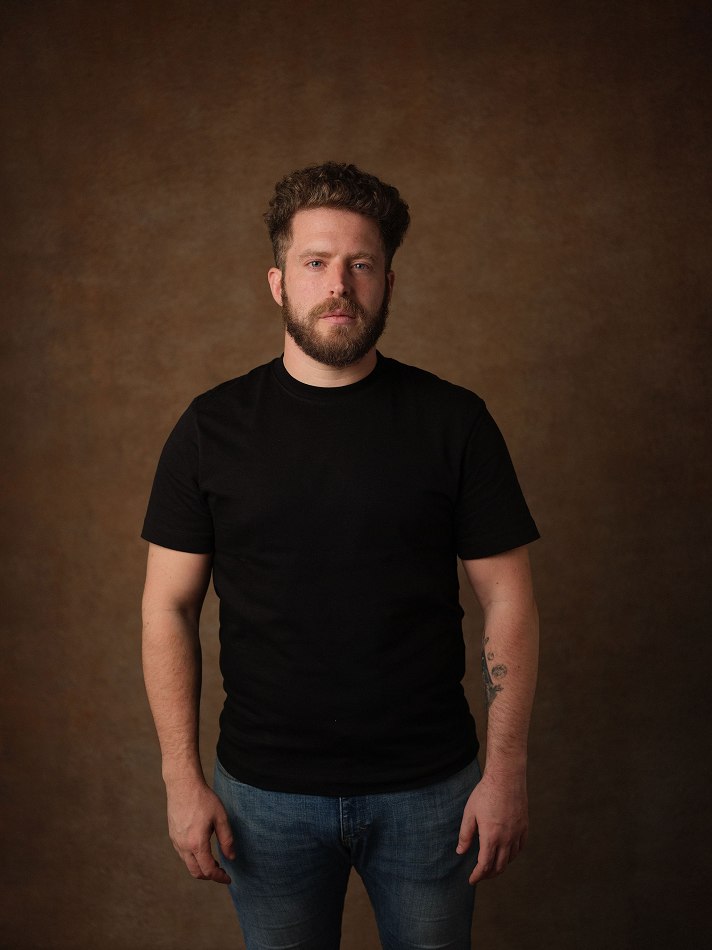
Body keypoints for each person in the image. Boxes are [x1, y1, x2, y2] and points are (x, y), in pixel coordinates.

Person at [141, 162, 539, 950]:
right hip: (263, 797)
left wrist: (507, 772)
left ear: (388, 282)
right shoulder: (210, 428)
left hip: (432, 792)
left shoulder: (454, 422)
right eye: (316, 262)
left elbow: (510, 601)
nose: (339, 286)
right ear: (277, 282)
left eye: (361, 265)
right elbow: (167, 606)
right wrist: (179, 779)